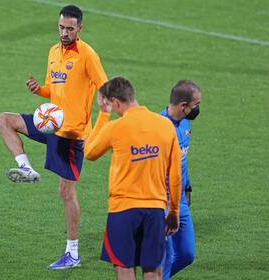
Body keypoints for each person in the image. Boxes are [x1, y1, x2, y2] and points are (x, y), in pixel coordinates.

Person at [0, 5, 107, 270]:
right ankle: (26, 168)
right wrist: (40, 90)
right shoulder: (53, 52)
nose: (64, 32)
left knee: (66, 191)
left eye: (70, 28)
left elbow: (107, 96)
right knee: (4, 120)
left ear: (80, 28)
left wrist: (98, 132)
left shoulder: (88, 55)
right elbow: (55, 90)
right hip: (50, 123)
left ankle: (73, 253)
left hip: (72, 134)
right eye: (61, 27)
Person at [84, 76, 182, 280]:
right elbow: (175, 175)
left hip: (122, 210)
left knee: (125, 269)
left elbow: (90, 152)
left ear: (116, 103)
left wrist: (103, 114)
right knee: (153, 270)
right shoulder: (165, 125)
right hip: (155, 209)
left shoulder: (116, 127)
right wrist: (173, 210)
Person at [160, 80, 201, 279]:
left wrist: (188, 185)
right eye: (196, 105)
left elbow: (182, 159)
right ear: (183, 106)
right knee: (165, 257)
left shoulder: (186, 122)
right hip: (161, 202)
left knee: (186, 254)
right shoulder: (158, 128)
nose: (197, 109)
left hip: (180, 202)